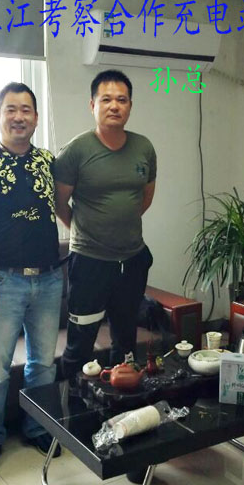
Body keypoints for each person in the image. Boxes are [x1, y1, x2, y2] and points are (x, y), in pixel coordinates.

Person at [0, 82, 63, 473]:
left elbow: (65, 209)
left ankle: (38, 428)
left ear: (36, 118)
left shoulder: (50, 163)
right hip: (2, 281)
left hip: (49, 279)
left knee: (43, 365)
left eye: (26, 110)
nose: (19, 116)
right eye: (11, 109)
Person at [53, 69, 157, 380]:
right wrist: (87, 232)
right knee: (80, 345)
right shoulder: (75, 151)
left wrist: (120, 224)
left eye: (122, 100)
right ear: (92, 105)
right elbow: (60, 204)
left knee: (125, 343)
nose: (114, 106)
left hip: (132, 261)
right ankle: (73, 405)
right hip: (90, 263)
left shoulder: (144, 147)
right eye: (106, 99)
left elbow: (145, 198)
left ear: (130, 106)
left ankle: (121, 402)